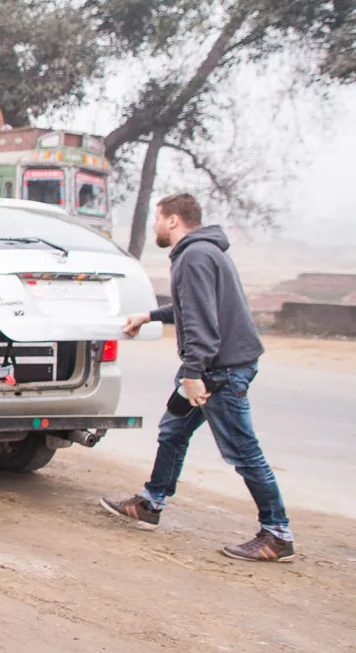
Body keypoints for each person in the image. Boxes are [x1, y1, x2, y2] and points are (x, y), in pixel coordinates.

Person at [101, 193, 294, 562]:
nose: (154, 226)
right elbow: (192, 306)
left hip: (219, 371)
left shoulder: (193, 256)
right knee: (173, 431)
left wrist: (193, 373)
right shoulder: (205, 251)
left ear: (173, 220)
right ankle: (151, 502)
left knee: (243, 451)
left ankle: (278, 534)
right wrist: (150, 316)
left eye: (158, 218)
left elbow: (202, 321)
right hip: (215, 365)